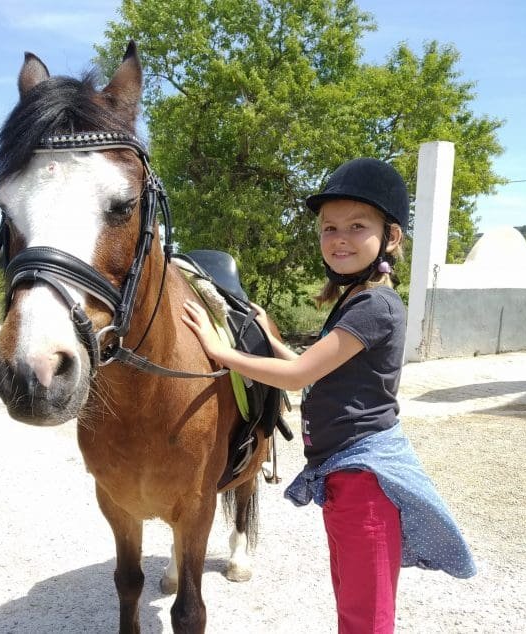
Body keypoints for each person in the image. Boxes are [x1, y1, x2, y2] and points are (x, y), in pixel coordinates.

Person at [182, 157, 476, 634]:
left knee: (366, 618)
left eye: (357, 226)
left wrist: (220, 351)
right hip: (345, 474)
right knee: (352, 603)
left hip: (365, 481)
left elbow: (298, 375)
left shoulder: (373, 305)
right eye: (329, 227)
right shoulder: (355, 298)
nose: (339, 238)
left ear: (392, 237)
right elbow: (320, 366)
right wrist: (263, 334)